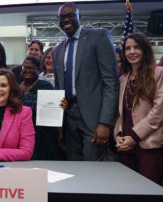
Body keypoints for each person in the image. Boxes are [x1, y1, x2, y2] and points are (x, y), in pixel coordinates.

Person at [52, 2, 119, 161]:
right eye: (62, 17)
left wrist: (105, 123)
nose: (66, 19)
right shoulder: (57, 51)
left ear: (79, 16)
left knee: (93, 167)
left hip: (94, 118)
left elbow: (111, 82)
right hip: (69, 118)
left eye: (70, 15)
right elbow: (58, 90)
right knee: (73, 167)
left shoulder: (98, 36)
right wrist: (60, 127)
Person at [114, 32, 163, 185]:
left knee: (147, 192)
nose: (132, 52)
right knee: (127, 190)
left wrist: (134, 137)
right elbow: (119, 113)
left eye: (136, 47)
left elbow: (159, 110)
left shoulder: (159, 73)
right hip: (125, 146)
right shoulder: (123, 79)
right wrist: (118, 134)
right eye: (128, 48)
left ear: (145, 50)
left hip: (149, 146)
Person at [20, 56, 65, 160]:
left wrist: (21, 98)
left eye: (32, 68)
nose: (28, 70)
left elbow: (40, 107)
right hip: (25, 133)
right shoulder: (17, 87)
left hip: (44, 134)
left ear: (38, 70)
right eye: (25, 67)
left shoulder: (46, 85)